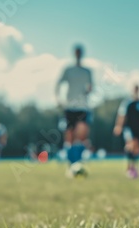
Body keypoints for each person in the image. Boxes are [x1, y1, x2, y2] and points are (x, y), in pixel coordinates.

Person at [55, 44, 93, 178]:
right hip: (70, 108)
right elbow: (59, 83)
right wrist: (58, 99)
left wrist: (87, 91)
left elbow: (90, 87)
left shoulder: (87, 71)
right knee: (70, 137)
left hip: (83, 107)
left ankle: (78, 162)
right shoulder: (68, 70)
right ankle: (71, 167)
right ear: (74, 54)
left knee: (81, 135)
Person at [113, 85, 139, 178]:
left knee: (136, 148)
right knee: (130, 144)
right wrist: (118, 126)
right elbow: (122, 115)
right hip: (128, 128)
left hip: (138, 128)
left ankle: (135, 168)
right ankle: (129, 168)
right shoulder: (127, 103)